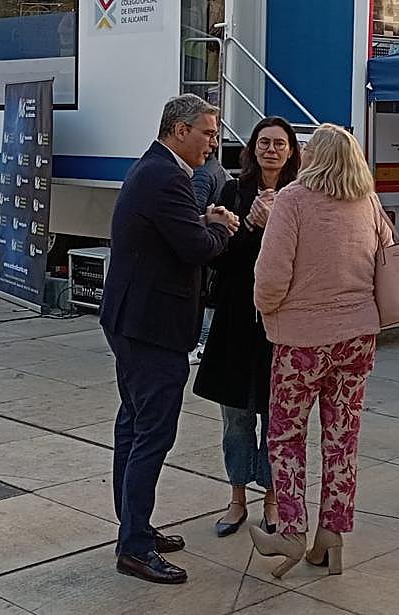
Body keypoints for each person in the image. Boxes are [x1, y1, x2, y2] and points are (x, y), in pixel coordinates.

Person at [99, 94, 238, 585]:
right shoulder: (166, 176)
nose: (213, 142)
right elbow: (196, 247)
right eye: (207, 132)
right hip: (151, 328)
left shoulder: (156, 170)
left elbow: (172, 234)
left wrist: (202, 222)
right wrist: (219, 227)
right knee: (151, 433)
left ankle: (134, 527)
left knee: (133, 427)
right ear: (179, 130)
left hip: (133, 321)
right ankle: (134, 546)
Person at [248, 123, 391, 579]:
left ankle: (291, 529)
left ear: (318, 157)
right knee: (342, 436)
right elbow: (387, 257)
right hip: (358, 339)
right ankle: (332, 534)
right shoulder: (367, 202)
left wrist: (267, 309)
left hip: (301, 341)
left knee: (286, 437)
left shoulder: (292, 200)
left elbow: (270, 279)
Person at [194, 116, 300, 538]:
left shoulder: (300, 196)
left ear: (292, 151)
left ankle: (271, 499)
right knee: (236, 416)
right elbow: (217, 255)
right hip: (237, 319)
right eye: (264, 142)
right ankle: (237, 497)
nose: (271, 149)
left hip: (282, 322)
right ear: (252, 148)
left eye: (279, 143)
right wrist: (251, 223)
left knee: (278, 416)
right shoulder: (233, 192)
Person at [189, 147, 232, 365]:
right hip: (215, 243)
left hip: (208, 244)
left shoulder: (203, 174)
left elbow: (193, 214)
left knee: (203, 298)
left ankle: (202, 344)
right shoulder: (217, 169)